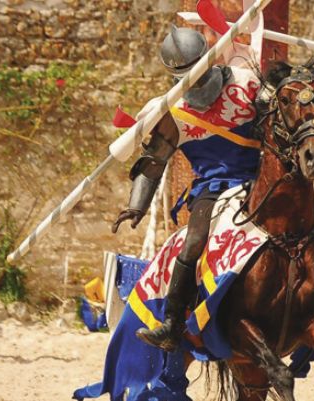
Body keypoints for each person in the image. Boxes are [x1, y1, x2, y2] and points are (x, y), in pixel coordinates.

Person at [112, 26, 261, 352]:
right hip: (213, 189)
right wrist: (136, 205)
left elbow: (280, 116)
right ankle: (173, 322)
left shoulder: (245, 81)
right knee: (192, 242)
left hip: (261, 177)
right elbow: (154, 162)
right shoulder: (171, 111)